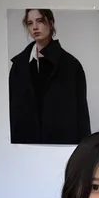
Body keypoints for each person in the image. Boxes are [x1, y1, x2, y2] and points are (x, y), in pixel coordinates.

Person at [9, 8, 91, 146]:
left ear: (51, 22)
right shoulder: (19, 66)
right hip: (25, 149)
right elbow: (13, 113)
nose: (35, 27)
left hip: (61, 147)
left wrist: (84, 150)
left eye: (40, 21)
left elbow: (82, 116)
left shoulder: (71, 66)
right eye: (30, 23)